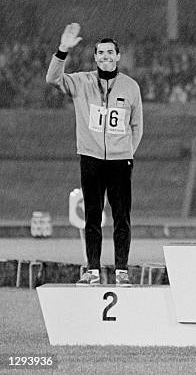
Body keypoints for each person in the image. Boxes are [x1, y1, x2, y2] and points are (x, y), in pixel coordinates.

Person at [46, 23, 143, 286]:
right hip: (90, 160)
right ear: (95, 57)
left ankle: (121, 271)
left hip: (120, 162)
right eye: (101, 53)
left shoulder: (130, 87)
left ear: (118, 56)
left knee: (122, 217)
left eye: (110, 53)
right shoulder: (81, 82)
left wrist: (126, 153)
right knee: (92, 217)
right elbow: (53, 79)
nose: (106, 57)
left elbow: (137, 125)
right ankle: (93, 271)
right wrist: (62, 51)